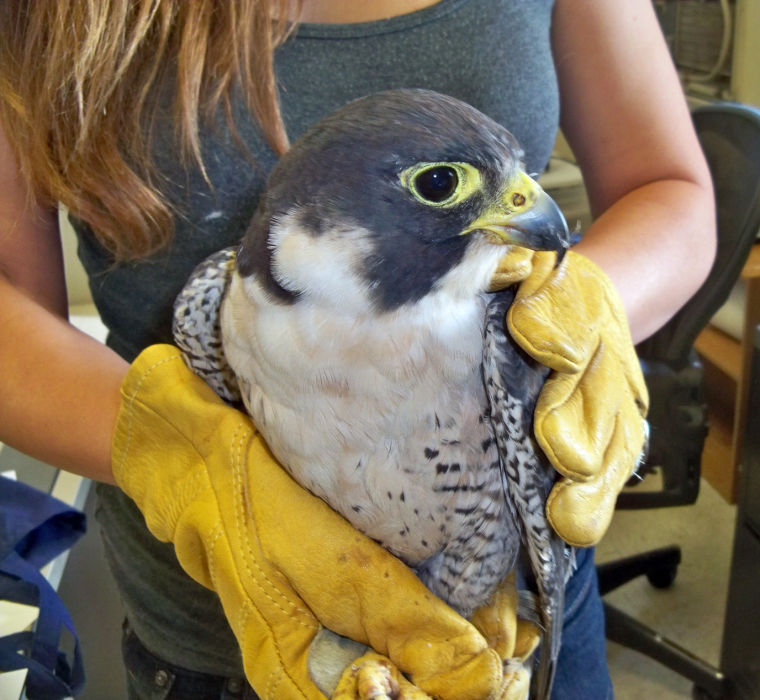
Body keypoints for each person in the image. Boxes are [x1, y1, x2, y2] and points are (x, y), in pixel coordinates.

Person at [0, 1, 715, 698]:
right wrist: (183, 460)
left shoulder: (500, 331)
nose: (527, 204)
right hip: (223, 639)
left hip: (507, 619)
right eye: (445, 188)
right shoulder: (220, 305)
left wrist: (571, 315)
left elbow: (668, 184)